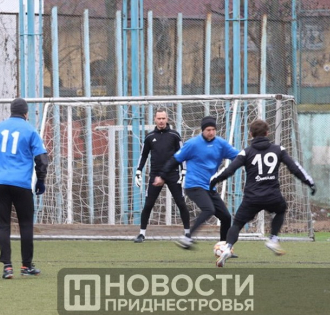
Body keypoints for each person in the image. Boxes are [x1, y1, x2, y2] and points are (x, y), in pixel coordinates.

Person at [209, 119, 316, 267]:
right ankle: (273, 239)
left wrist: (214, 180)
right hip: (273, 196)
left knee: (237, 224)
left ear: (250, 134)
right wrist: (309, 182)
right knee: (281, 209)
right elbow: (294, 168)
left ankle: (228, 247)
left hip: (252, 198)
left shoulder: (246, 152)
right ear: (267, 133)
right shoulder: (278, 150)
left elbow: (229, 170)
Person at [0, 97, 48, 279]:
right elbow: (42, 159)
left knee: (3, 225)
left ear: (11, 111)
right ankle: (26, 266)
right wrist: (40, 180)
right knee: (25, 224)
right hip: (21, 183)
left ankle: (7, 267)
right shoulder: (30, 130)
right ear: (26, 113)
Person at [154, 115, 240, 249]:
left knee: (226, 217)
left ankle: (224, 248)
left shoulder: (221, 144)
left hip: (209, 187)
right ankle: (187, 238)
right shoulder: (192, 144)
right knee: (209, 209)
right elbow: (174, 160)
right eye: (208, 130)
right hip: (194, 185)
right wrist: (162, 176)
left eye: (213, 129)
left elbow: (239, 157)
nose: (211, 132)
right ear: (202, 130)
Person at [133, 108, 190, 242]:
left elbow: (182, 154)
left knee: (181, 203)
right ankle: (141, 234)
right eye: (159, 118)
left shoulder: (175, 135)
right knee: (148, 204)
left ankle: (188, 233)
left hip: (173, 174)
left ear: (167, 119)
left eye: (163, 118)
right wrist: (138, 170)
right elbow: (143, 155)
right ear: (155, 119)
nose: (161, 121)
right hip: (156, 174)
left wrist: (184, 171)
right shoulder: (150, 137)